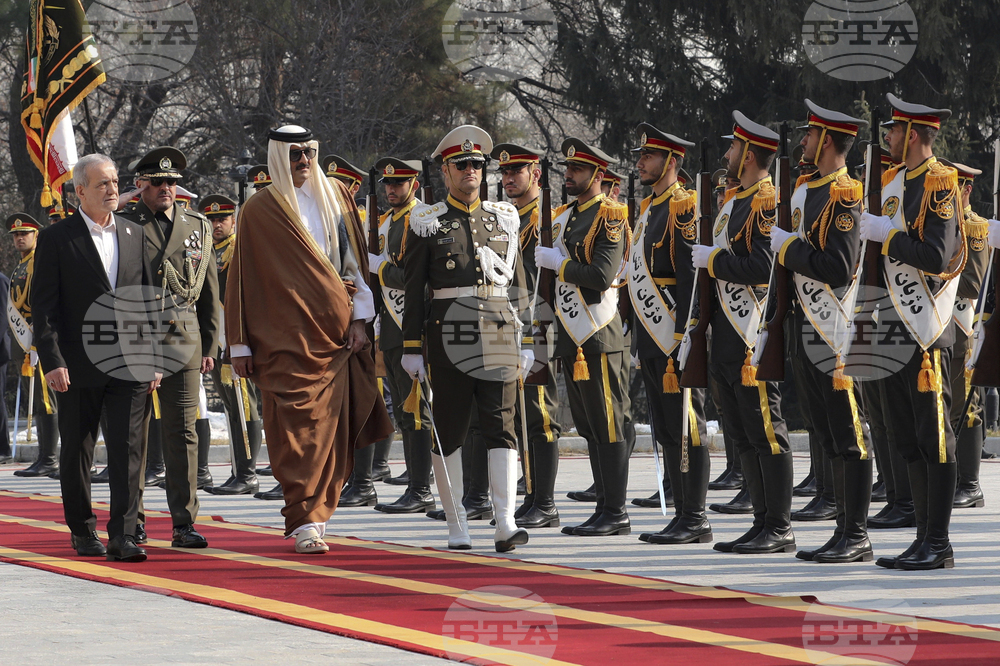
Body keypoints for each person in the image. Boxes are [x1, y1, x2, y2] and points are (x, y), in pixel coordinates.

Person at [226, 125, 393, 554]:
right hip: (282, 337)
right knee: (294, 430)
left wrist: (361, 321)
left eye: (310, 153)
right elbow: (242, 279)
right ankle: (304, 519)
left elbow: (355, 264)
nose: (304, 161)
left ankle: (317, 518)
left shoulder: (335, 196)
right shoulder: (259, 210)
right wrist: (239, 344)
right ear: (279, 157)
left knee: (328, 430)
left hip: (335, 336)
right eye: (296, 154)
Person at [401, 125, 531, 552]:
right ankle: (458, 523)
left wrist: (528, 339)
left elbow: (519, 284)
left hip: (497, 330)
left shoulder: (504, 219)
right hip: (449, 332)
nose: (471, 170)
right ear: (446, 171)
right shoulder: (427, 222)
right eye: (463, 164)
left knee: (502, 427)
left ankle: (505, 523)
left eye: (477, 164)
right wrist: (411, 348)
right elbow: (415, 289)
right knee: (451, 430)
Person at [31, 153, 160, 562]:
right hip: (76, 365)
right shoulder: (57, 238)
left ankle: (123, 536)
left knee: (128, 450)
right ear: (80, 190)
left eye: (115, 181)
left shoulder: (133, 232)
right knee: (78, 451)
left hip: (129, 363)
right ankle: (83, 530)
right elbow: (44, 307)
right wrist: (51, 360)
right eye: (102, 183)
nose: (112, 189)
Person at [860, 94, 964, 570]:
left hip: (926, 332)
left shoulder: (940, 184)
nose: (888, 140)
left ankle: (938, 542)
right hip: (893, 327)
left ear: (914, 135)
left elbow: (937, 259)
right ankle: (922, 535)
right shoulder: (895, 183)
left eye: (894, 132)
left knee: (933, 436)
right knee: (907, 438)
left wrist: (890, 236)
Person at [769, 100, 873, 562]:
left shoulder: (845, 195)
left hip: (834, 331)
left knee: (849, 435)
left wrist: (789, 250)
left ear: (826, 141)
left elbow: (839, 267)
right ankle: (840, 530)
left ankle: (857, 535)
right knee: (827, 433)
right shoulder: (806, 191)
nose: (803, 143)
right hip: (802, 326)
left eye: (810, 136)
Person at [692, 111, 794, 555]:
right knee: (743, 433)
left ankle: (780, 525)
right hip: (726, 336)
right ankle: (760, 520)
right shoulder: (736, 200)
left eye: (733, 148)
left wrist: (712, 262)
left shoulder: (766, 201)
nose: (727, 154)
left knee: (767, 430)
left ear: (749, 154)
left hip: (752, 332)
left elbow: (763, 269)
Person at [120, 147, 219, 549]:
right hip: (136, 333)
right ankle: (133, 520)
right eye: (158, 182)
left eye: (172, 182)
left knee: (182, 433)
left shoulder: (197, 223)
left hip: (182, 336)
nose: (167, 188)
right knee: (134, 435)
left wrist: (211, 343)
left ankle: (184, 522)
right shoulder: (124, 223)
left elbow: (209, 291)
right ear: (140, 185)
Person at [534, 138, 631, 537]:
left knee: (609, 423)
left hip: (598, 334)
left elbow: (601, 276)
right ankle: (604, 506)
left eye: (576, 170)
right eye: (567, 169)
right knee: (590, 426)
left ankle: (616, 511)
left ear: (596, 174)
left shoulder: (608, 216)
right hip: (573, 338)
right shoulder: (565, 216)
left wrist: (560, 263)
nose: (568, 175)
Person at [624, 124, 712, 545]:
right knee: (664, 427)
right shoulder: (649, 209)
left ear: (671, 162)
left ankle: (695, 517)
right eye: (641, 156)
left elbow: (688, 280)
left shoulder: (683, 207)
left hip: (675, 338)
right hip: (651, 337)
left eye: (648, 157)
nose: (640, 162)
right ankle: (680, 513)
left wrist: (686, 335)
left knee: (686, 426)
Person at [492, 142, 563, 528]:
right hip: (509, 324)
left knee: (539, 413)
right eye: (504, 174)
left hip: (539, 322)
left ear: (535, 174)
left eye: (515, 173)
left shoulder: (546, 217)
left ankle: (545, 502)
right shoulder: (505, 217)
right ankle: (532, 495)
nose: (507, 180)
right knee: (518, 413)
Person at [366, 157, 436, 514]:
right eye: (388, 185)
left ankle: (421, 487)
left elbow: (417, 280)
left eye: (399, 183)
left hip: (415, 328)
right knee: (406, 413)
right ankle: (415, 483)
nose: (392, 190)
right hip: (392, 329)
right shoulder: (385, 222)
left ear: (414, 185)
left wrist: (380, 269)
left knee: (417, 409)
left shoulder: (421, 220)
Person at [198, 194, 265, 496]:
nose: (216, 224)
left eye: (222, 218)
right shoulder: (205, 252)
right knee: (230, 407)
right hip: (217, 342)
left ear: (233, 220)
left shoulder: (242, 249)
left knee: (245, 405)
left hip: (237, 339)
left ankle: (248, 472)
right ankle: (240, 470)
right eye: (211, 219)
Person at [942, 161, 989, 510]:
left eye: (952, 186)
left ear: (967, 189)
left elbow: (974, 283)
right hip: (940, 327)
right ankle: (955, 477)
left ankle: (970, 484)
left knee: (966, 406)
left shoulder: (973, 228)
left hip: (961, 329)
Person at [8, 214, 58, 477]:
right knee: (37, 401)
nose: (19, 238)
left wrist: (39, 340)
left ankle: (49, 458)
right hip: (23, 343)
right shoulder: (21, 265)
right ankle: (44, 456)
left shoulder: (38, 262)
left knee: (46, 401)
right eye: (16, 235)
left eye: (24, 233)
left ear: (36, 235)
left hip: (36, 343)